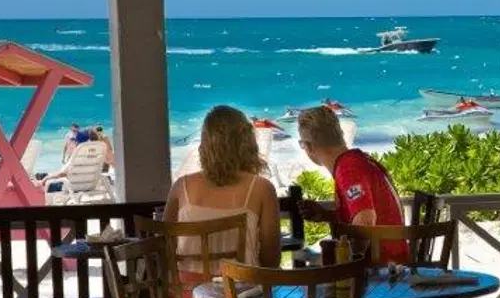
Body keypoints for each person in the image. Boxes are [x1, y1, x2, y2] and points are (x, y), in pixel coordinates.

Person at [161, 106, 281, 269]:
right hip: (242, 284)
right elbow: (271, 260)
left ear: (205, 143)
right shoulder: (262, 188)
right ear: (248, 143)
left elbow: (165, 247)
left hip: (187, 284)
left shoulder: (181, 187)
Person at [296, 105, 407, 264]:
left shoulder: (348, 169)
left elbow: (365, 222)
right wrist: (327, 215)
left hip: (382, 268)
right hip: (395, 262)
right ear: (339, 135)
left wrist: (344, 262)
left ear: (308, 147)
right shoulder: (358, 161)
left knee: (303, 260)